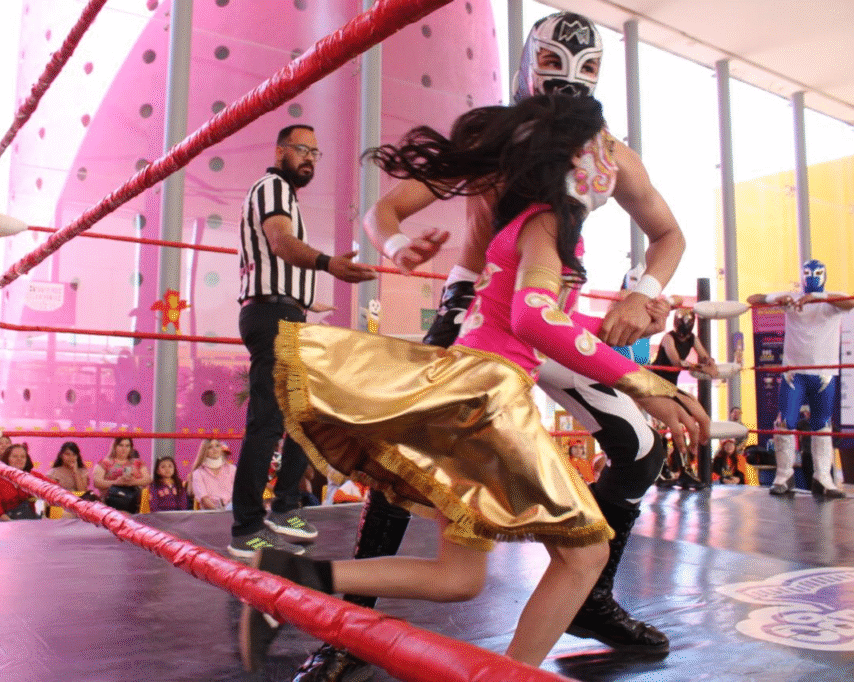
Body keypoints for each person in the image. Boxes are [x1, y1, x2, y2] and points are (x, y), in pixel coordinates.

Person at [241, 94, 710, 673]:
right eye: (600, 148)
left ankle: (291, 578)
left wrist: (622, 326)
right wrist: (645, 384)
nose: (609, 163)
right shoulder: (546, 223)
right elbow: (535, 320)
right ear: (570, 161)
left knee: (458, 577)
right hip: (489, 397)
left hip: (468, 386)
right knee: (585, 556)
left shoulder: (528, 224)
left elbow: (539, 318)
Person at [231, 123, 377, 558]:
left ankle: (284, 507)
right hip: (271, 315)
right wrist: (328, 264)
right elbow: (280, 243)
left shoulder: (285, 197)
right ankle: (246, 527)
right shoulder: (272, 188)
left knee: (306, 414)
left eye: (315, 152)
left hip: (284, 312)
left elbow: (276, 257)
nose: (309, 158)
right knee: (268, 421)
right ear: (280, 151)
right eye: (301, 149)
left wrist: (306, 301)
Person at [747, 259, 854, 498]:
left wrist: (817, 298)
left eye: (816, 273)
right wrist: (778, 300)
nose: (812, 277)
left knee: (822, 424)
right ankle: (784, 475)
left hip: (824, 373)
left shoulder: (834, 298)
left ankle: (823, 477)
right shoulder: (792, 297)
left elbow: (850, 303)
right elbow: (753, 298)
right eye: (808, 273)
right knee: (786, 421)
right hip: (794, 372)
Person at [651, 308, 719, 384]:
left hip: (670, 381)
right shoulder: (668, 338)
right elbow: (677, 363)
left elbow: (705, 357)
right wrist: (704, 368)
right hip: (656, 378)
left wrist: (711, 363)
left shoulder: (692, 338)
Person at [0, 443, 48, 521]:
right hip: (6, 522)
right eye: (15, 456)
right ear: (7, 459)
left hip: (32, 520)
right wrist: (14, 524)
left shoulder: (34, 476)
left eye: (23, 457)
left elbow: (55, 488)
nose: (19, 459)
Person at [93, 436, 150, 513]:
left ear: (131, 448)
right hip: (110, 504)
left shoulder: (138, 462)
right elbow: (97, 482)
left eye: (127, 446)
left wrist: (132, 482)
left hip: (134, 502)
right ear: (115, 447)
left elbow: (147, 479)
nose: (124, 449)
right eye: (121, 445)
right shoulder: (105, 462)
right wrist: (116, 482)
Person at [190, 439, 237, 511]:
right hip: (209, 513)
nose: (215, 449)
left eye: (217, 446)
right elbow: (204, 499)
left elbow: (238, 493)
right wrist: (218, 511)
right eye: (210, 447)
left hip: (232, 510)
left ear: (221, 449)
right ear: (205, 451)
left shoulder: (232, 469)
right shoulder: (198, 473)